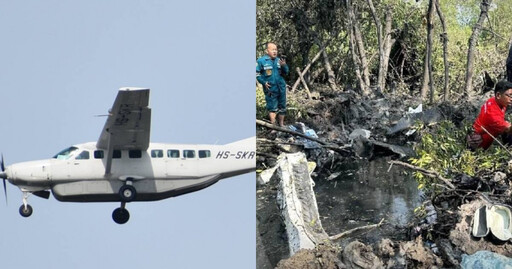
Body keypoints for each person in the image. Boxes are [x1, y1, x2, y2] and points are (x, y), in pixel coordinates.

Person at [470, 80, 512, 150]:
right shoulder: (493, 116)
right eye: (510, 96)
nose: (511, 99)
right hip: (478, 147)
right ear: (498, 95)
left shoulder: (494, 100)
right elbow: (508, 129)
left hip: (480, 133)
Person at [256, 42, 289, 127]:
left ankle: (281, 125)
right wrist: (263, 82)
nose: (275, 51)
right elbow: (257, 74)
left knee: (282, 107)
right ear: (267, 51)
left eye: (276, 49)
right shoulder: (261, 61)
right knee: (272, 107)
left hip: (281, 87)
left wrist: (284, 65)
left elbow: (286, 72)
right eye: (273, 49)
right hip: (270, 88)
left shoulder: (279, 60)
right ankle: (274, 126)